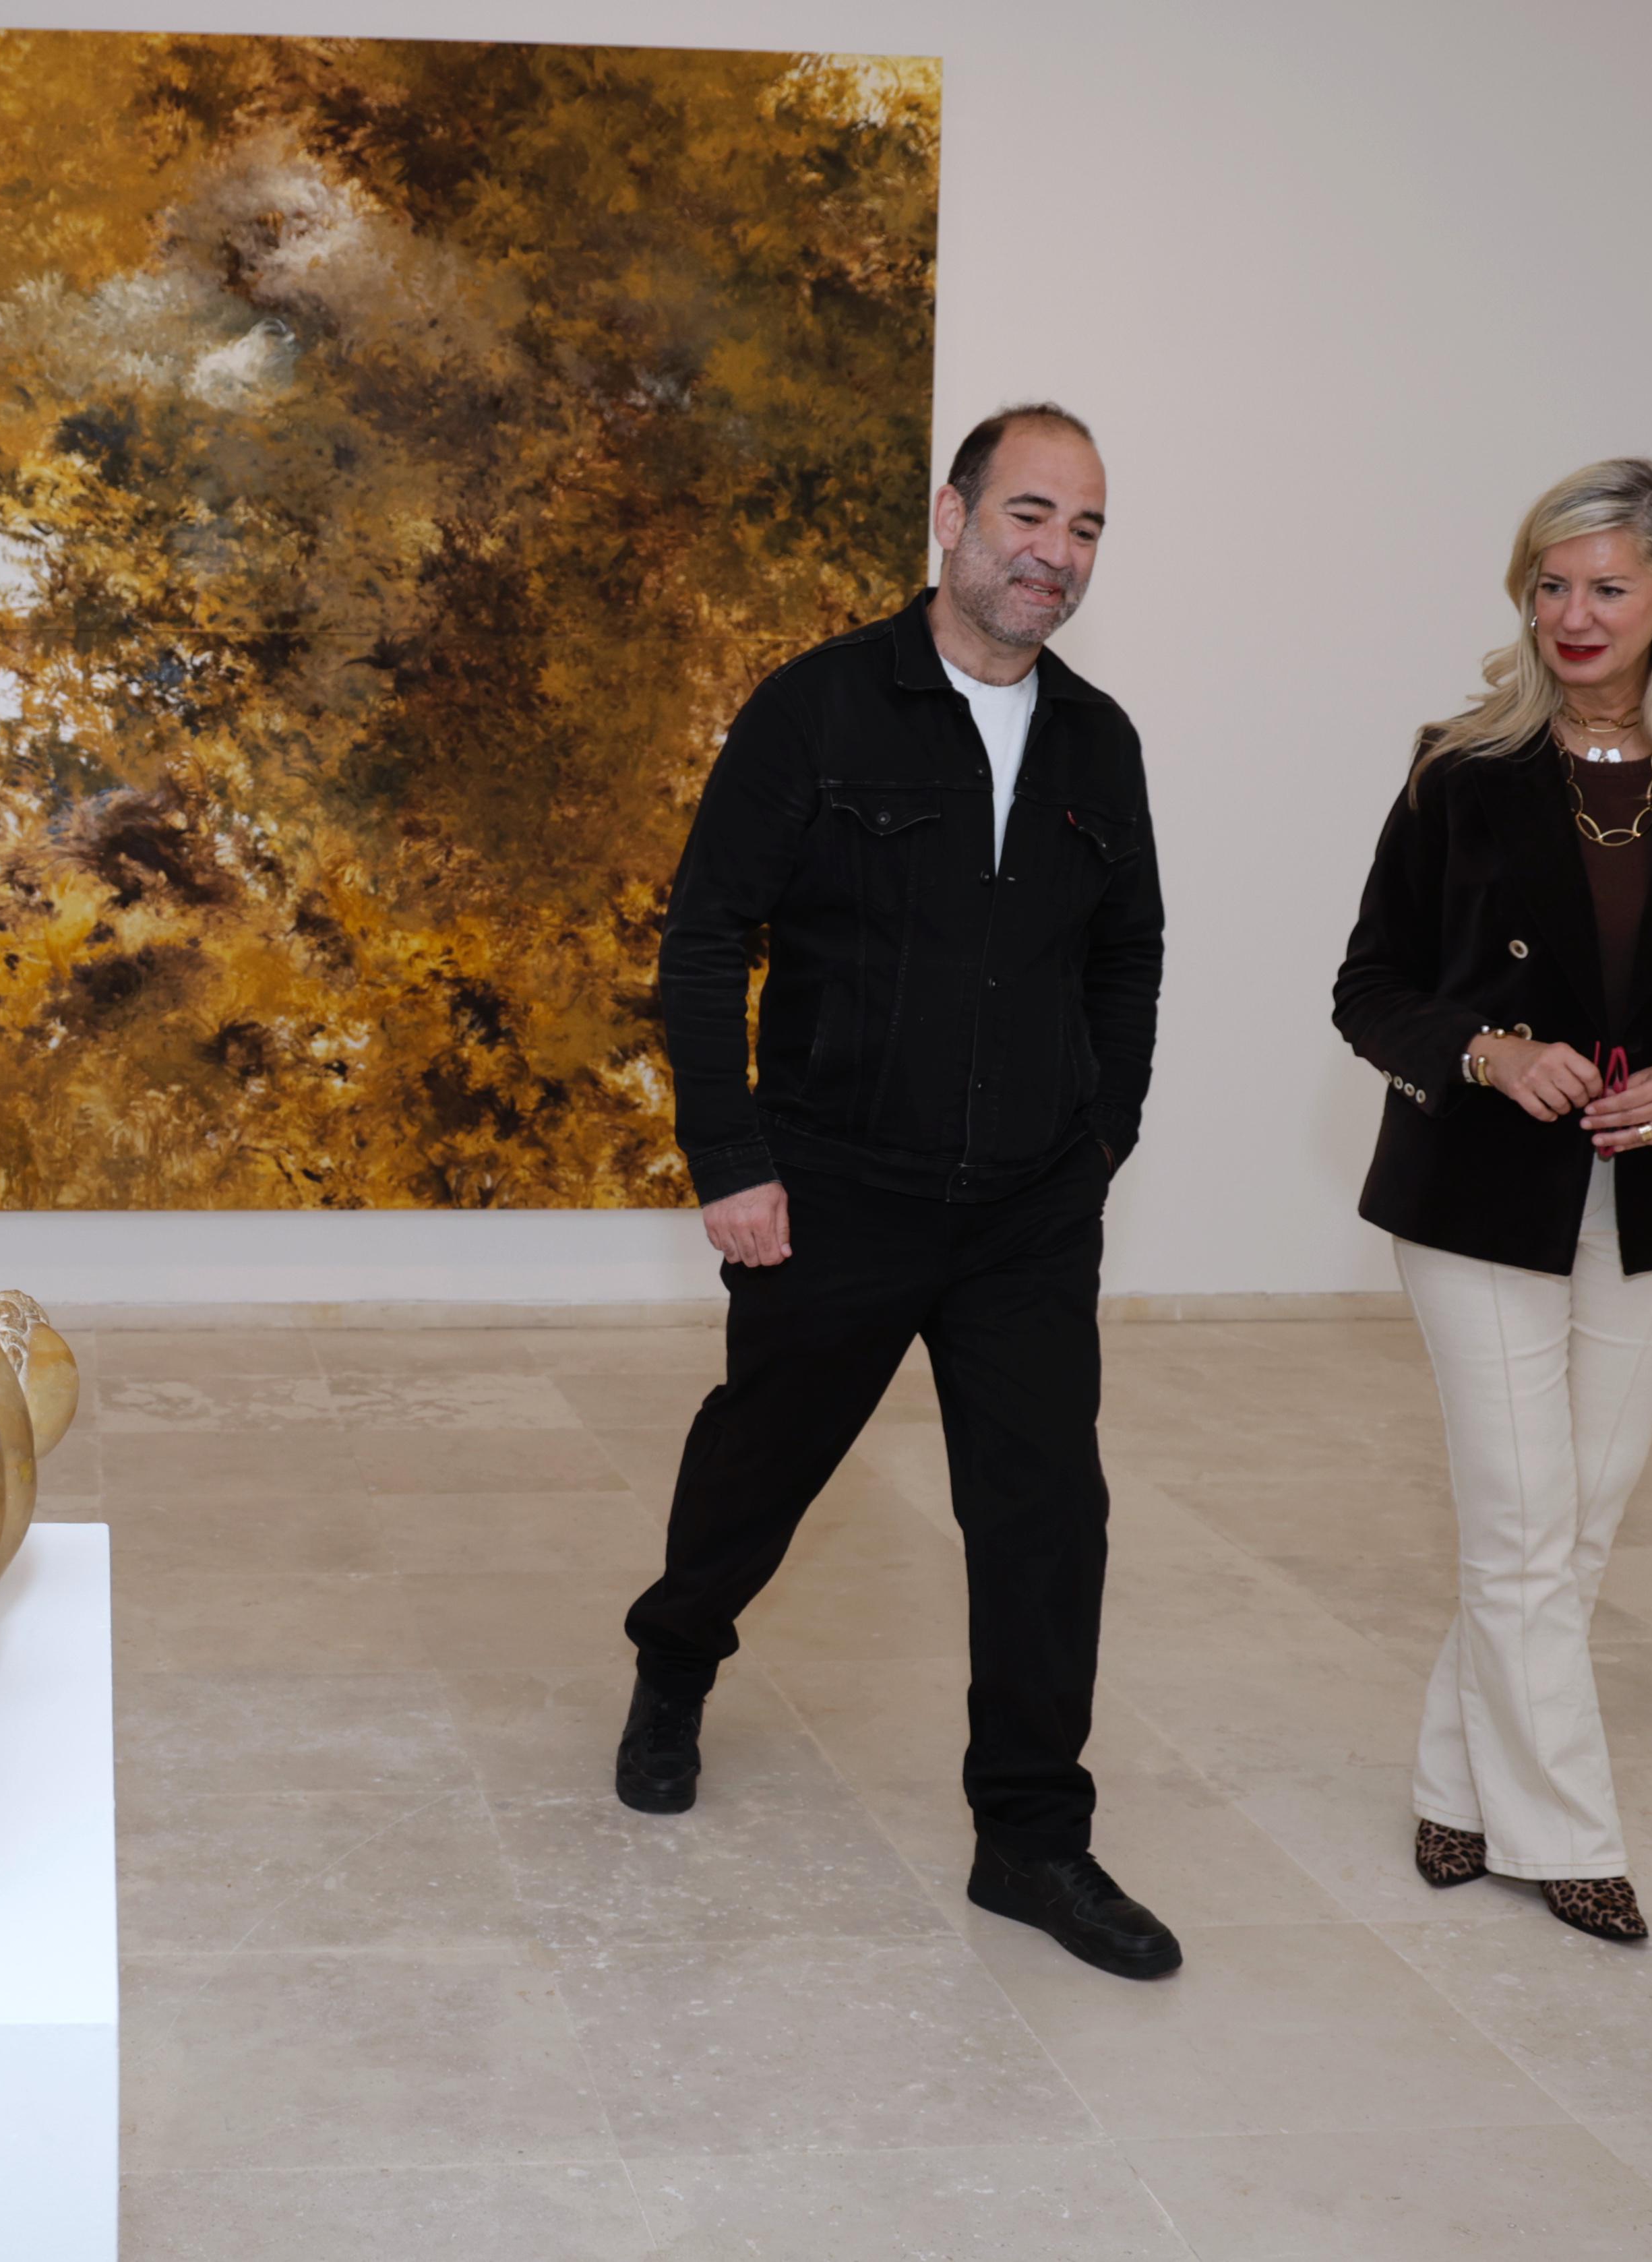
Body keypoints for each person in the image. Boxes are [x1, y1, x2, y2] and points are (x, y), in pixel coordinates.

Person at [618, 404, 1178, 1980]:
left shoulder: (1098, 741)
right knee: (761, 1468)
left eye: (1083, 528)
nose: (1054, 554)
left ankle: (1032, 1836)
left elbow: (1127, 955)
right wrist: (733, 1161)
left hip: (1027, 1209)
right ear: (951, 517)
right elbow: (705, 940)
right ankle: (675, 1657)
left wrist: (1101, 1138)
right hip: (836, 1193)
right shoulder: (814, 709)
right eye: (1028, 514)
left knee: (1046, 1514)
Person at [1333, 458, 1652, 1941]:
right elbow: (1369, 986)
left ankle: (1454, 1787)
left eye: (1607, 586)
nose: (1573, 614)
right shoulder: (1456, 769)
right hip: (1480, 1199)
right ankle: (1568, 1836)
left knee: (1572, 1530)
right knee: (1519, 1524)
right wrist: (1485, 1052)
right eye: (1550, 584)